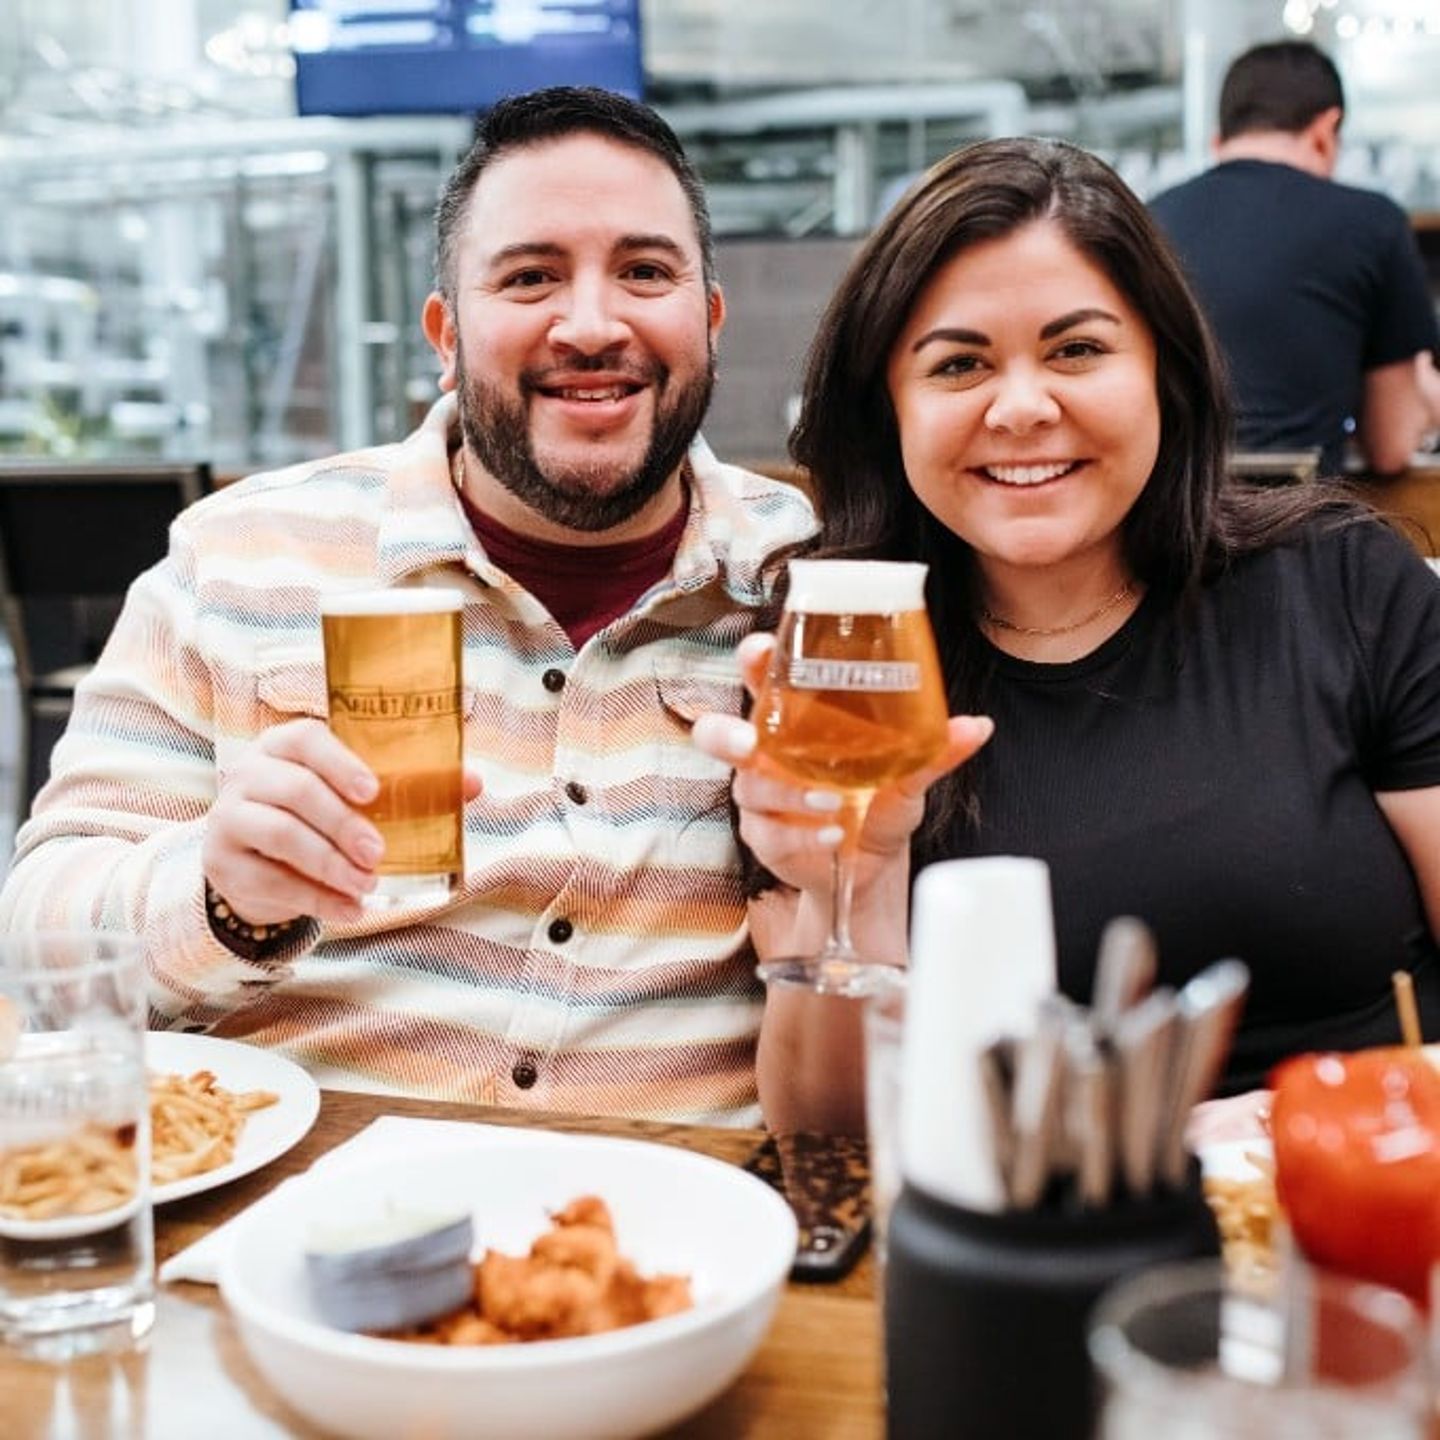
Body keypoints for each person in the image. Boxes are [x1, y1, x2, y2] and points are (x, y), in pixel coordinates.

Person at [0, 87, 815, 1125]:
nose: (593, 324)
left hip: (671, 1237)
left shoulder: (809, 587)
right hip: (293, 1219)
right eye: (530, 278)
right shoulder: (240, 553)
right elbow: (35, 942)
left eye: (645, 273)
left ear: (708, 319)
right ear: (445, 333)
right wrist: (219, 895)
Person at [695, 136, 1440, 1126]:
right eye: (959, 365)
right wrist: (855, 892)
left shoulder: (1343, 583)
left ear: (1165, 373)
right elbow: (831, 1134)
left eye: (1077, 349)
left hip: (1365, 1217)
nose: (1022, 408)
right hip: (1022, 1250)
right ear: (891, 410)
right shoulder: (841, 658)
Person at [1149, 40, 1439, 478]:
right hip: (1295, 527)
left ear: (1219, 140)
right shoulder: (1372, 222)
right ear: (1326, 130)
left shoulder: (1149, 219)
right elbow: (1390, 445)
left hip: (1160, 521)